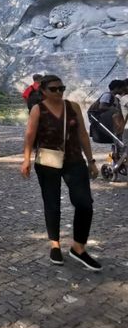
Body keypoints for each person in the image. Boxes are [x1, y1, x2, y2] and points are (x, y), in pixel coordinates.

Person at [21, 75, 101, 270]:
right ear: (43, 91)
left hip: (74, 160)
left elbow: (82, 133)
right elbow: (30, 135)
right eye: (54, 89)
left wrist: (91, 161)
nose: (59, 92)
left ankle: (78, 248)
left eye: (61, 88)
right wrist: (26, 160)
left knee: (84, 204)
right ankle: (55, 244)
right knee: (52, 203)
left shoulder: (72, 107)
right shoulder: (38, 109)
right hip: (48, 162)